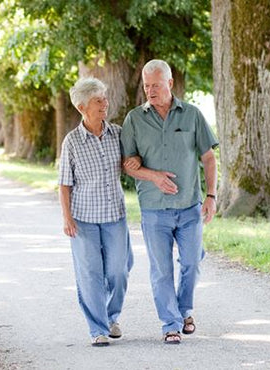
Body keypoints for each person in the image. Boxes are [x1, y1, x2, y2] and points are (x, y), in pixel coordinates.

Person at [121, 59, 218, 345]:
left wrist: (211, 196)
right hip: (153, 209)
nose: (150, 91)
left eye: (155, 85)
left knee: (192, 262)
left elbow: (209, 158)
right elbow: (129, 163)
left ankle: (184, 310)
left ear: (170, 83)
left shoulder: (192, 115)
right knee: (161, 270)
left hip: (189, 206)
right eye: (146, 86)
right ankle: (170, 324)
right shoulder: (134, 119)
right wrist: (151, 175)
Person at [58, 77, 138, 347]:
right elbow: (64, 184)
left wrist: (137, 162)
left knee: (119, 270)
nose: (105, 104)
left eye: (105, 98)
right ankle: (98, 329)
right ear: (82, 107)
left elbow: (132, 163)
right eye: (98, 101)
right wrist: (67, 218)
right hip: (84, 220)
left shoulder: (117, 133)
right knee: (90, 274)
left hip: (114, 215)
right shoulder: (71, 142)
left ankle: (111, 316)